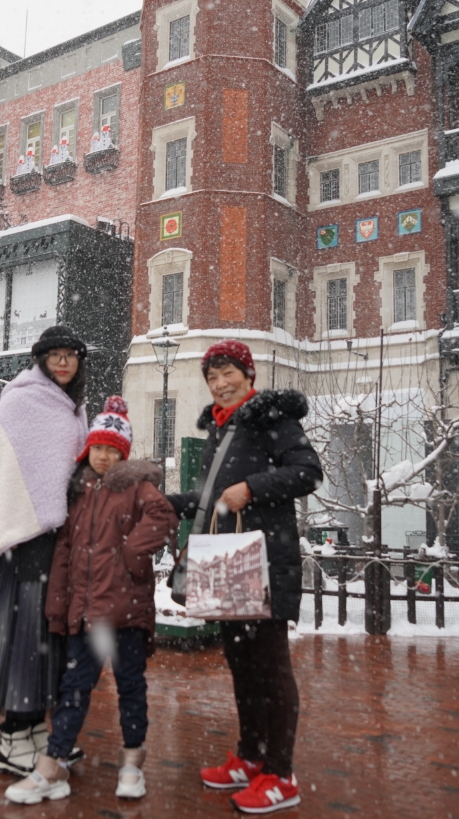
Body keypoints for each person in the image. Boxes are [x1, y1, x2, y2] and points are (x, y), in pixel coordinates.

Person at [166, 340, 323, 814]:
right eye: (212, 377)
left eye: (228, 373)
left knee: (271, 667)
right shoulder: (223, 426)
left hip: (264, 560)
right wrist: (166, 501)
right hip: (228, 560)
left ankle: (280, 774)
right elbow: (212, 495)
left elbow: (308, 471)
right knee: (241, 663)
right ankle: (251, 756)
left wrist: (252, 488)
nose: (220, 384)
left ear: (248, 375)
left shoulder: (269, 416)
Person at [5, 396, 178, 804]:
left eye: (112, 450)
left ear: (124, 453)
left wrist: (131, 552)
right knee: (74, 687)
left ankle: (132, 763)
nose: (103, 456)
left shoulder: (138, 486)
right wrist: (58, 605)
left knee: (130, 687)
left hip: (126, 615)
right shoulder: (79, 492)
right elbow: (65, 551)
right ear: (88, 450)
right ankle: (54, 765)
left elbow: (164, 516)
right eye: (97, 447)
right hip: (85, 617)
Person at [0, 324, 90, 776]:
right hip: (24, 544)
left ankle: (35, 732)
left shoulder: (74, 407)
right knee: (25, 640)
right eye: (55, 355)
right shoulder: (22, 399)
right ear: (41, 359)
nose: (64, 362)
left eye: (71, 355)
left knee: (49, 641)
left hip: (58, 545)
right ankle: (13, 735)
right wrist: (12, 516)